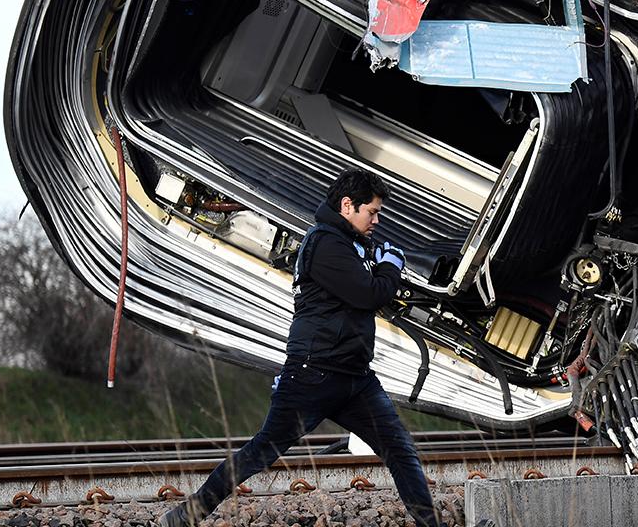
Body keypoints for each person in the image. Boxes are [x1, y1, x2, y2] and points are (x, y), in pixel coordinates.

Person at [161, 168, 439, 527]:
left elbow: (371, 293)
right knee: (261, 451)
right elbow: (370, 295)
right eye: (372, 212)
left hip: (355, 377)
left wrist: (381, 266)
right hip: (313, 374)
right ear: (347, 205)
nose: (376, 220)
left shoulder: (352, 244)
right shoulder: (325, 244)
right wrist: (390, 267)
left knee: (400, 450)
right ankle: (186, 515)